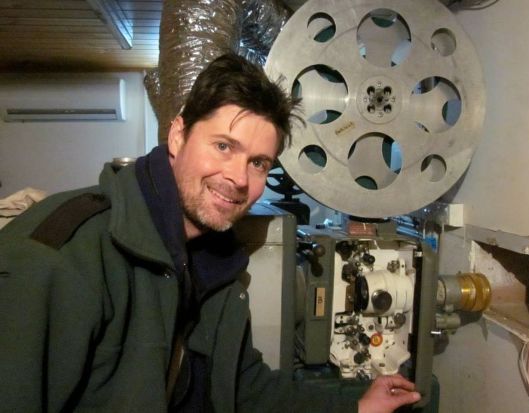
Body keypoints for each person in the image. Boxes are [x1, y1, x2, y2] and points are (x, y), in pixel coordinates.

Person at [0, 53, 420, 412]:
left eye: (258, 163)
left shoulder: (214, 260)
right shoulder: (60, 255)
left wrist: (354, 406)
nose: (239, 178)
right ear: (178, 135)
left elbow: (243, 390)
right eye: (223, 146)